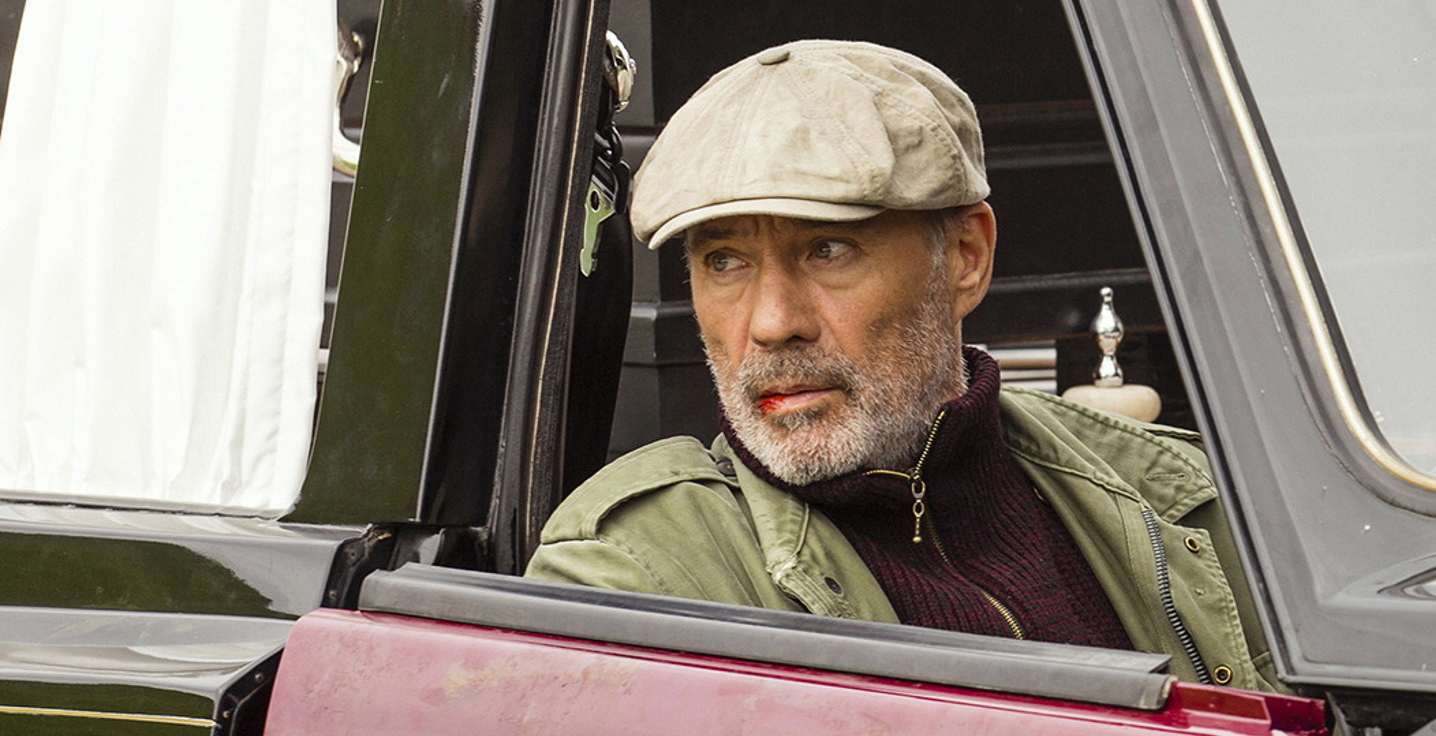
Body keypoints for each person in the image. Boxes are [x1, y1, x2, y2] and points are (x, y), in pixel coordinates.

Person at [527, 40, 1279, 690]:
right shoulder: (633, 576)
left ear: (965, 257)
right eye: (724, 261)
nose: (771, 322)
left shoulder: (1185, 496)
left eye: (827, 249)